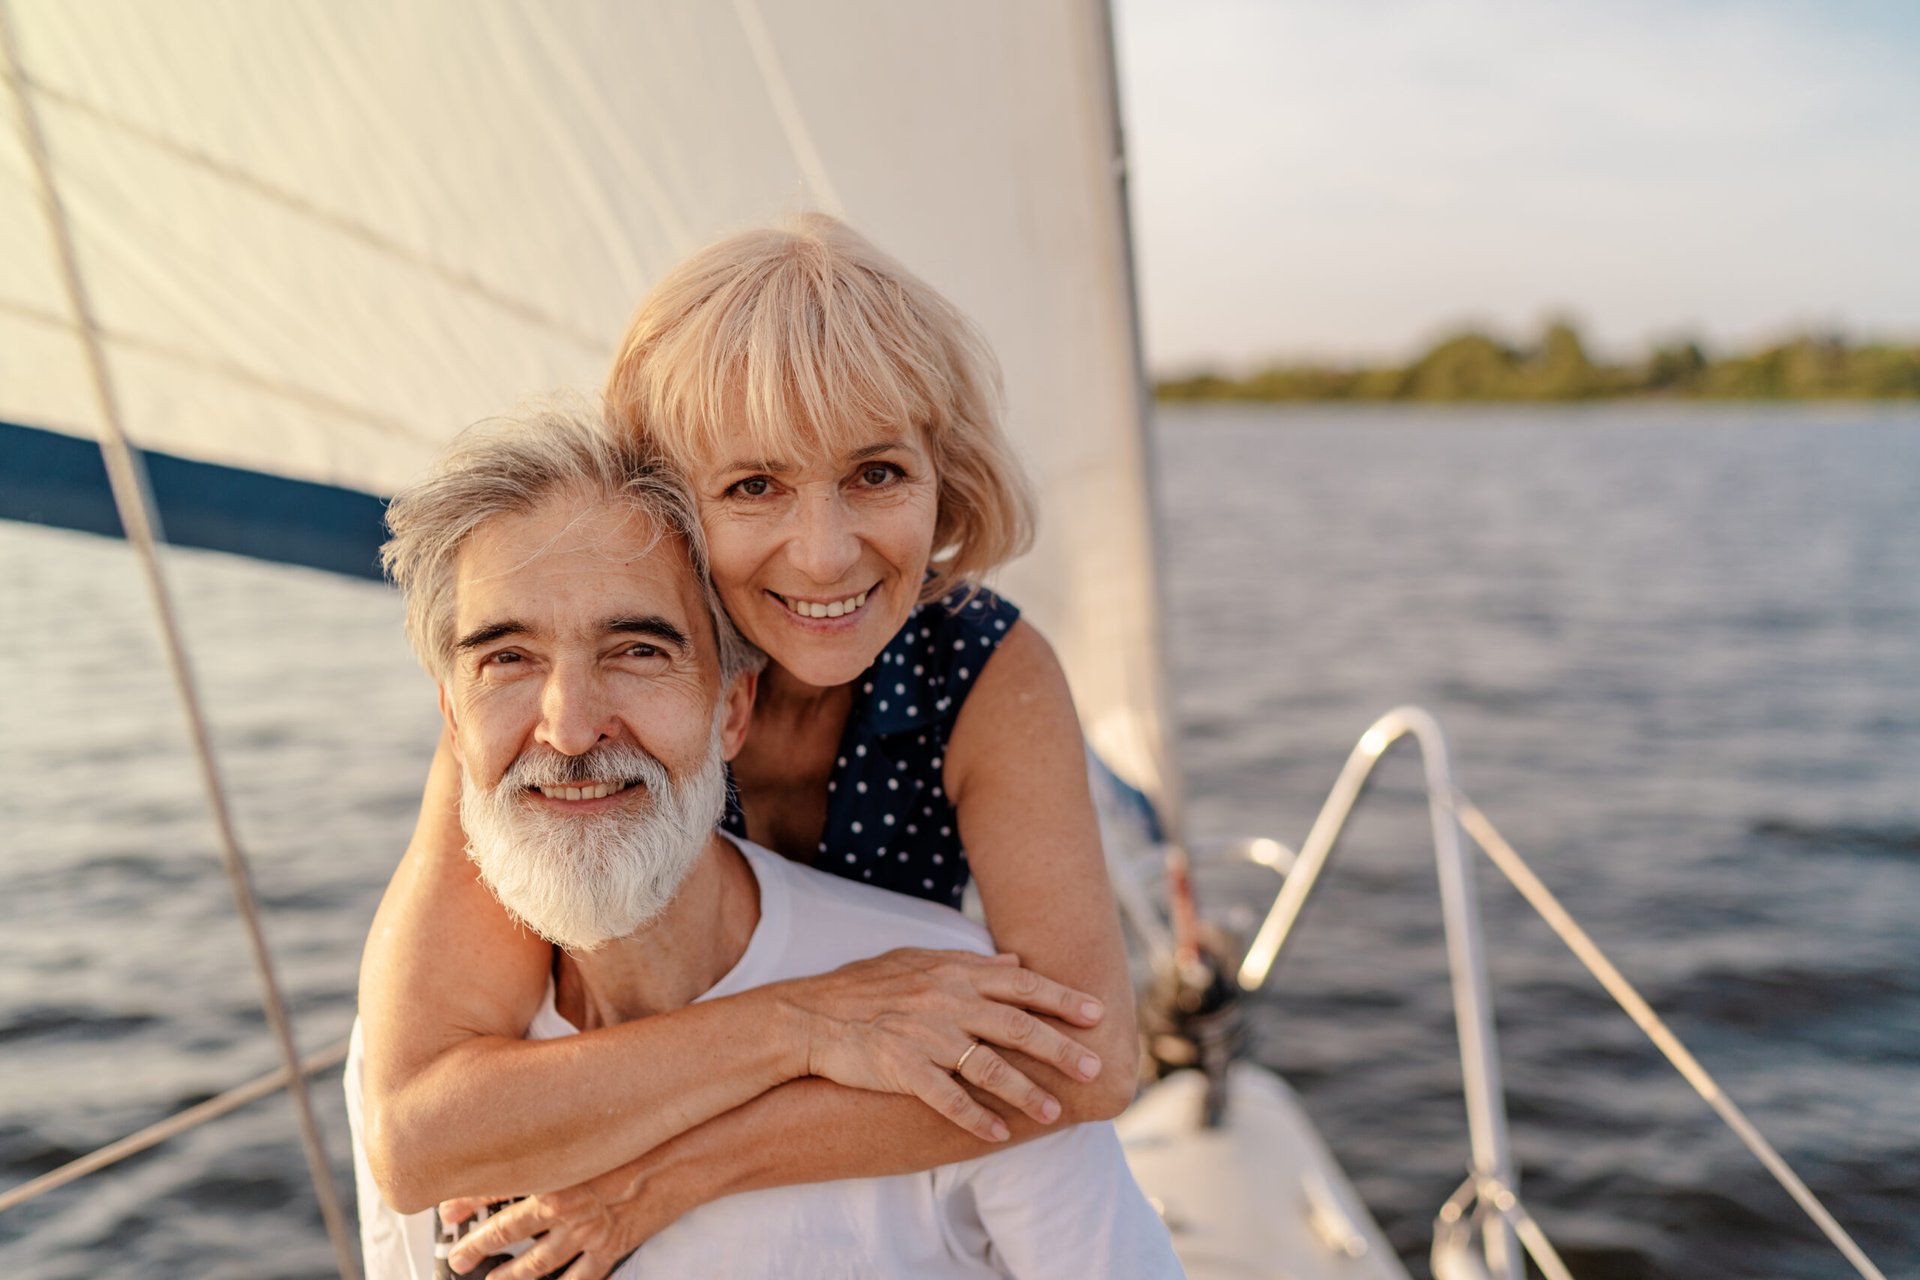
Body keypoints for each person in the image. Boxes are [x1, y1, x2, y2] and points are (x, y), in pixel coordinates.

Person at [357, 216, 1139, 1271]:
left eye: (876, 473)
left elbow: (1087, 1066)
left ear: (943, 481)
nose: (824, 555)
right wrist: (805, 1019)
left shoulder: (984, 672)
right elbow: (415, 1135)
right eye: (754, 485)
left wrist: (666, 1177)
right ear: (671, 508)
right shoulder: (568, 707)